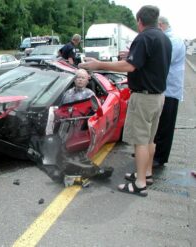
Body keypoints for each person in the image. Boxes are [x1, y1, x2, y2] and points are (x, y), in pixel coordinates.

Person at [79, 5, 172, 197]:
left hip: (144, 97)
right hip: (158, 96)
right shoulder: (163, 38)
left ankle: (139, 184)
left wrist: (98, 64)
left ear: (140, 21)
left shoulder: (144, 37)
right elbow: (145, 63)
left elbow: (129, 66)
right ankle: (146, 174)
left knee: (140, 142)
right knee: (149, 139)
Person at [152, 16, 186, 169]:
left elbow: (164, 60)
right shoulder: (167, 38)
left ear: (160, 25)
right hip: (163, 89)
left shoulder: (173, 40)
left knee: (166, 125)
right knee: (158, 124)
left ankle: (160, 157)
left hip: (170, 90)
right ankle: (152, 152)